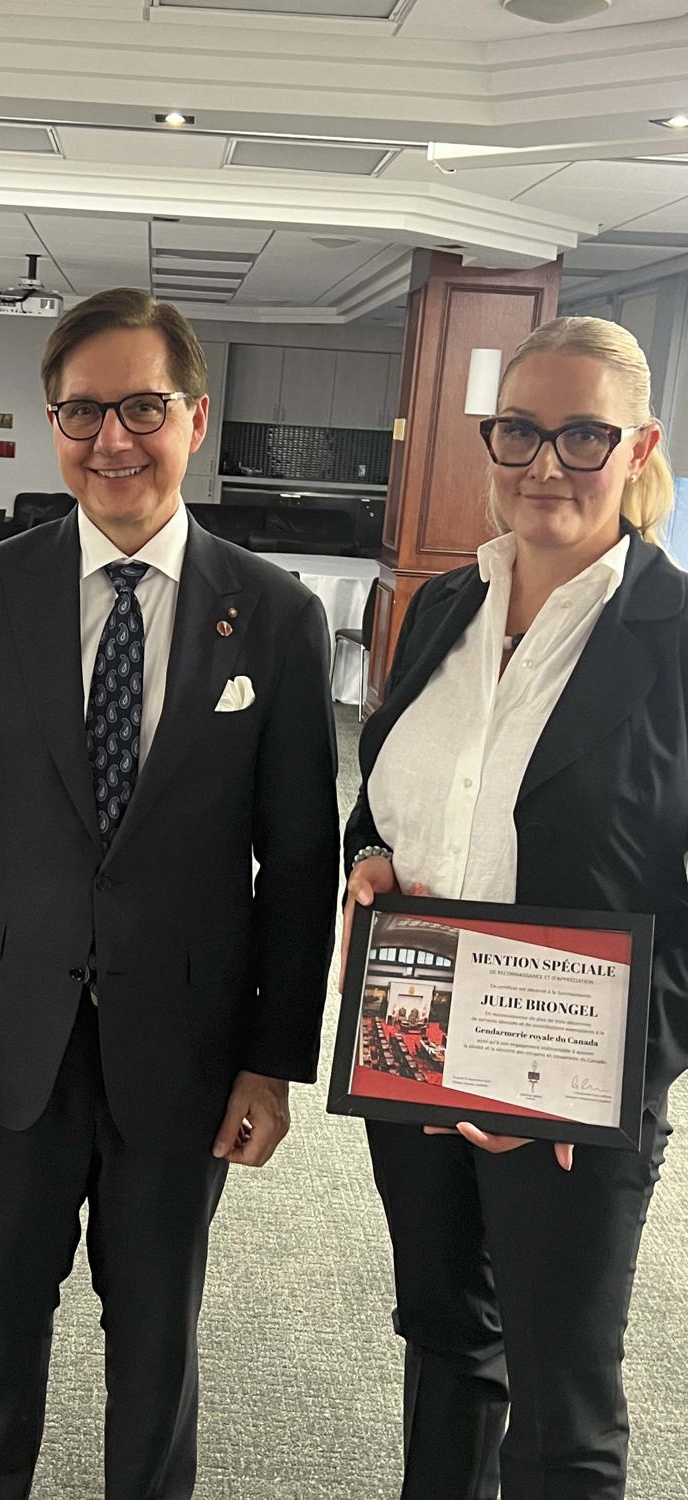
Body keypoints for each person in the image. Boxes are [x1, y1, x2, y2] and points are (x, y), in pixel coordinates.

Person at [0, 287, 340, 1499]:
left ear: (194, 416)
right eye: (84, 411)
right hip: (2, 1042)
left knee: (158, 1348)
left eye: (143, 406)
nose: (113, 439)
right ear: (51, 421)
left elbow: (299, 866)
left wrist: (270, 1061)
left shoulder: (277, 618)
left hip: (184, 1053)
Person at [342, 314, 684, 1500]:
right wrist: (372, 859)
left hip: (574, 1092)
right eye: (520, 431)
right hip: (420, 1047)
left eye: (583, 436)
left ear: (639, 447)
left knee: (561, 1413)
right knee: (443, 1337)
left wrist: (591, 1086)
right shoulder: (443, 607)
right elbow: (388, 792)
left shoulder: (677, 641)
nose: (546, 464)